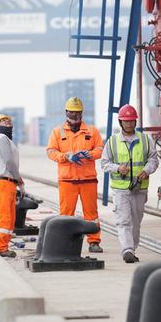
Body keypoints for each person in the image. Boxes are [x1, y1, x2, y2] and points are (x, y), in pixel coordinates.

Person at [98, 104, 158, 263]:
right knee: (124, 220)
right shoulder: (112, 142)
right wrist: (118, 168)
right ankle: (127, 250)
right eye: (126, 121)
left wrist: (147, 169)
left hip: (140, 188)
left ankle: (132, 247)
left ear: (135, 122)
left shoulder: (145, 140)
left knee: (136, 222)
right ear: (120, 122)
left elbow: (153, 159)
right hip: (120, 190)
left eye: (132, 121)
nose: (129, 124)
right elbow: (104, 163)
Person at [46, 97, 105, 252]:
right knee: (66, 214)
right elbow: (51, 152)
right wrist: (66, 156)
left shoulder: (92, 131)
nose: (74, 115)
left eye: (77, 112)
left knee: (91, 214)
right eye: (71, 112)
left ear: (81, 113)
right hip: (67, 180)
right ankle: (65, 241)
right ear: (66, 112)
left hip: (88, 180)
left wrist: (89, 154)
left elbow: (100, 149)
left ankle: (94, 242)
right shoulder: (57, 132)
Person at [0, 114, 25, 257]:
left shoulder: (7, 140)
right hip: (4, 182)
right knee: (4, 215)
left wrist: (18, 180)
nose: (8, 122)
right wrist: (20, 181)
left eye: (9, 120)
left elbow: (10, 164)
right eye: (4, 121)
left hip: (8, 181)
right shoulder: (2, 138)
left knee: (9, 215)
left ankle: (4, 245)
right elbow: (9, 163)